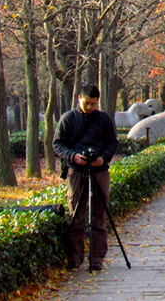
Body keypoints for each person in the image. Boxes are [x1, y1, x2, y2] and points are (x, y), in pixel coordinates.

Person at [53, 84, 119, 271]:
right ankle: (75, 258)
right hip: (76, 171)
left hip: (99, 171)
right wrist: (72, 156)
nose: (89, 107)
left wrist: (102, 158)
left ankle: (96, 258)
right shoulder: (68, 119)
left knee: (99, 215)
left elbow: (112, 143)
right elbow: (57, 144)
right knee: (77, 216)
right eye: (86, 103)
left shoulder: (103, 119)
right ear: (79, 99)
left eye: (93, 104)